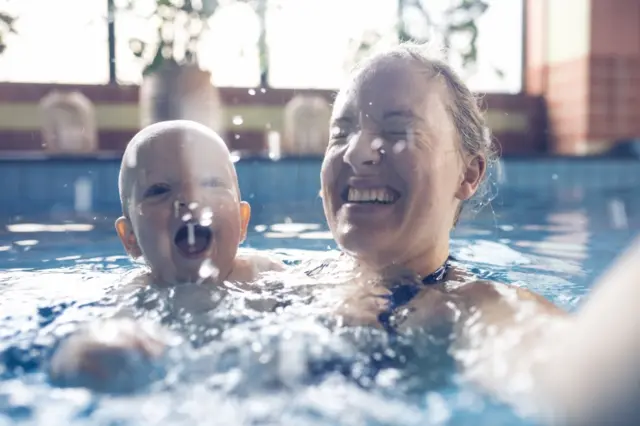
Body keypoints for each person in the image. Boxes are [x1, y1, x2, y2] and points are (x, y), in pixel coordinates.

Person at [314, 42, 638, 425]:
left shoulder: (470, 310)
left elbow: (579, 378)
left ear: (468, 174)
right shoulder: (269, 280)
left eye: (397, 129)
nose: (355, 152)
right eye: (341, 133)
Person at [47, 120, 283, 391]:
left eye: (210, 182)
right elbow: (93, 336)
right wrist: (101, 345)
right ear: (131, 238)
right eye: (159, 190)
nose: (190, 198)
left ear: (243, 222)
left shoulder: (264, 272)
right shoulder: (137, 294)